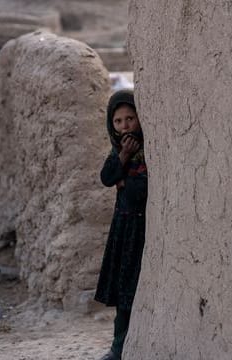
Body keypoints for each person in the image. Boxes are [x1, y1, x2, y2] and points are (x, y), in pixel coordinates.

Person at [95, 89, 147, 360]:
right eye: (118, 121)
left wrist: (125, 181)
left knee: (135, 289)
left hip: (141, 228)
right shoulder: (119, 151)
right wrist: (123, 159)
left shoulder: (147, 149)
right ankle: (118, 348)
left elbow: (141, 189)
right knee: (124, 293)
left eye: (130, 118)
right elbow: (106, 177)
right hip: (123, 230)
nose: (125, 125)